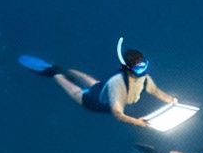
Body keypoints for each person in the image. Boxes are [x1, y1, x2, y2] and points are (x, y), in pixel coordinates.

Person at [17, 36, 181, 128]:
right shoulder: (119, 84)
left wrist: (171, 100)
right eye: (138, 68)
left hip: (102, 88)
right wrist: (138, 122)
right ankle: (54, 72)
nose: (143, 70)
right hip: (89, 100)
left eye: (144, 65)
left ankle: (69, 72)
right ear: (128, 68)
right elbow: (117, 114)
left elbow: (155, 91)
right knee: (62, 79)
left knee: (90, 81)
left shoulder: (143, 79)